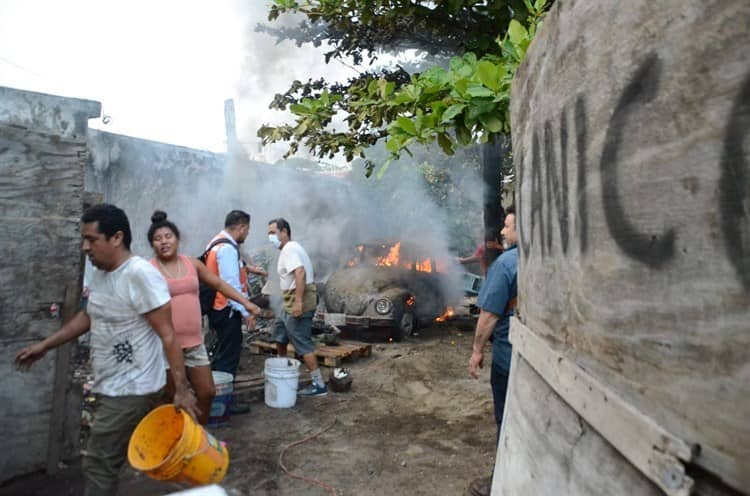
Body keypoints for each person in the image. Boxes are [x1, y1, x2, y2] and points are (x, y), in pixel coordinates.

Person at [15, 204, 198, 496]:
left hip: (133, 388)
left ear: (116, 238)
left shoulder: (139, 275)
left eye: (92, 240)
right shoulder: (102, 273)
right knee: (123, 456)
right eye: (83, 240)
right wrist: (46, 345)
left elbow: (168, 335)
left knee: (99, 462)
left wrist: (181, 388)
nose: (85, 247)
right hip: (110, 383)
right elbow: (89, 316)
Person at [147, 210, 261, 424]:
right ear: (152, 244)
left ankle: (196, 436)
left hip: (194, 343)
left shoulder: (191, 263)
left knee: (207, 392)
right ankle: (174, 441)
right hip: (165, 345)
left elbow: (219, 283)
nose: (164, 242)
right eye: (157, 239)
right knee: (170, 397)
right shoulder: (148, 269)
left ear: (177, 239)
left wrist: (246, 303)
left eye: (168, 236)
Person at [466, 207, 518, 496]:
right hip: (541, 361)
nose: (502, 231)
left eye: (508, 226)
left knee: (507, 418)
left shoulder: (507, 264)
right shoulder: (550, 257)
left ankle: (502, 481)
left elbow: (488, 316)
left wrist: (476, 351)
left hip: (509, 359)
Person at [267, 218, 327, 397]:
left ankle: (319, 384)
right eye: (268, 233)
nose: (270, 237)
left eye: (273, 232)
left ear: (284, 232)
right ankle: (282, 369)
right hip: (288, 302)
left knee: (301, 342)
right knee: (279, 333)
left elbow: (300, 272)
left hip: (297, 301)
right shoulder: (290, 249)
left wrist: (299, 302)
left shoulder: (290, 249)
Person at [204, 210, 256, 414]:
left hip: (218, 310)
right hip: (226, 310)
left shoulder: (215, 243)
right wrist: (246, 311)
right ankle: (224, 402)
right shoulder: (226, 249)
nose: (247, 235)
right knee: (228, 357)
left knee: (220, 354)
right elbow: (230, 284)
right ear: (241, 227)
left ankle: (216, 398)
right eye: (247, 230)